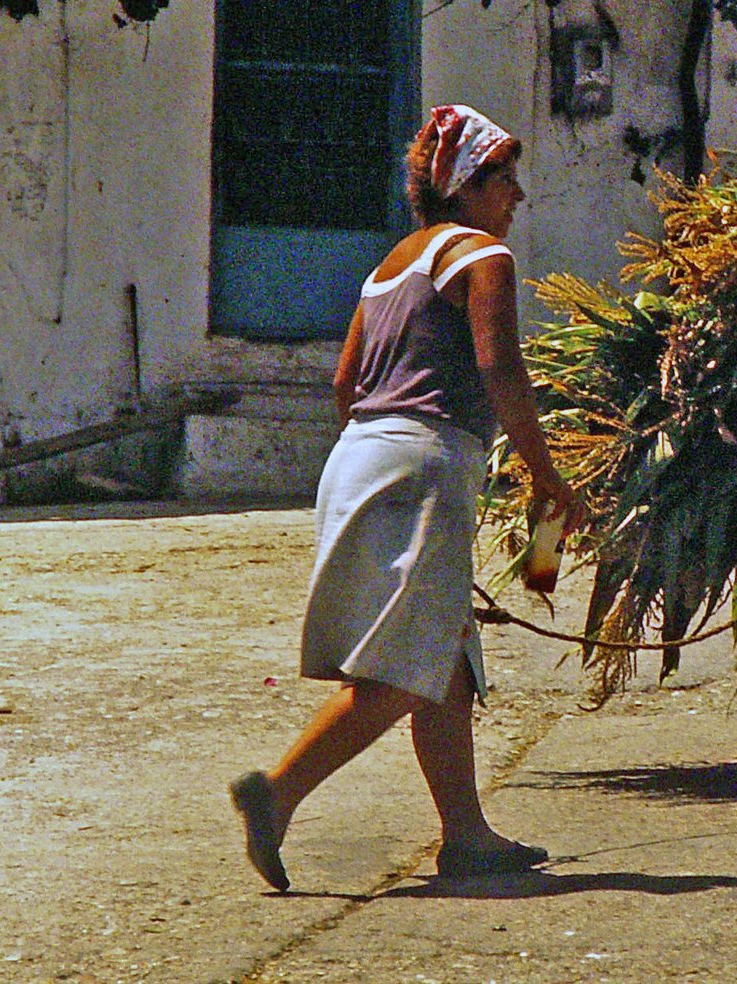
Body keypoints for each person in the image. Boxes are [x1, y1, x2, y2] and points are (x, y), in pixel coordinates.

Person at [230, 104, 579, 892]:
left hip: (359, 457)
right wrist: (545, 477)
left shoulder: (391, 265)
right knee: (406, 664)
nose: (517, 196)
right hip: (426, 461)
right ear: (470, 186)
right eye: (507, 180)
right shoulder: (483, 256)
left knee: (444, 653)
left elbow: (345, 384)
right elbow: (502, 371)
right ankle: (276, 794)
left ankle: (467, 836)